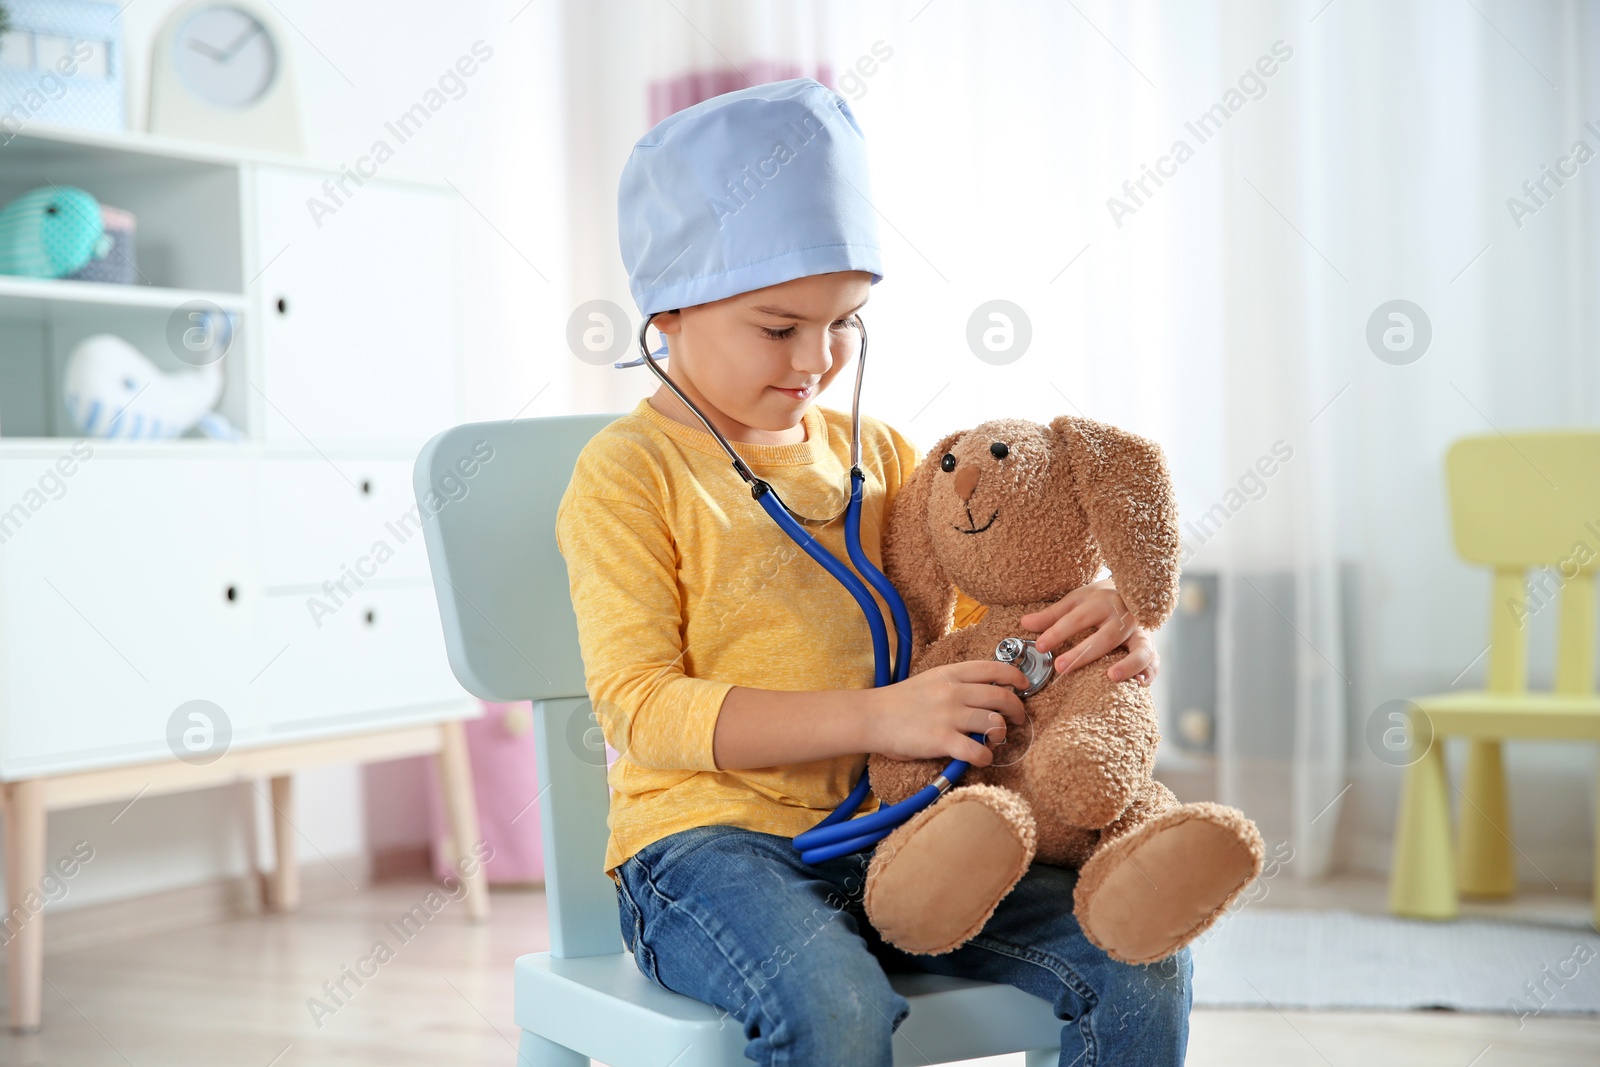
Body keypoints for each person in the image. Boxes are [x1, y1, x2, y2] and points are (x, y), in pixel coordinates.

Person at [555, 77, 1190, 1066]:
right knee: (836, 1002)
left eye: (845, 320)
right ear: (667, 310)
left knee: (1137, 944)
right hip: (708, 849)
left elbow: (987, 638)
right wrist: (881, 716)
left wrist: (1082, 625)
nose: (818, 358)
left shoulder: (888, 457)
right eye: (778, 326)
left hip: (904, 832)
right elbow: (639, 706)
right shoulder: (627, 475)